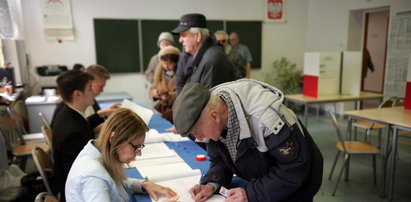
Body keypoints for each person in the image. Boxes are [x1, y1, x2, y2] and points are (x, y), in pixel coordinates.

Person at [173, 80, 324, 202]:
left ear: (214, 117)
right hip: (264, 178)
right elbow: (220, 159)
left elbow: (294, 168)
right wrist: (212, 184)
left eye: (196, 132)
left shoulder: (265, 119)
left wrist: (251, 193)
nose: (198, 138)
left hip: (298, 184)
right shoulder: (211, 110)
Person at [65, 108, 178, 202]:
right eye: (135, 147)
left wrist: (144, 184)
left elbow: (114, 183)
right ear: (113, 139)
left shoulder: (97, 151)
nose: (139, 153)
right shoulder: (93, 179)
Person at [52, 70, 96, 201]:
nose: (93, 92)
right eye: (89, 89)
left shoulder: (67, 113)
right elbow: (84, 176)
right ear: (77, 94)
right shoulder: (74, 133)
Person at [172, 13, 236, 94]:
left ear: (198, 36)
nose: (180, 40)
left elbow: (210, 102)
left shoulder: (213, 59)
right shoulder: (200, 56)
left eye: (183, 35)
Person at [85, 64, 120, 133]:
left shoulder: (92, 100)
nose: (102, 91)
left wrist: (106, 114)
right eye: (101, 87)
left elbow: (95, 122)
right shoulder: (83, 103)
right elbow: (86, 129)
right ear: (90, 83)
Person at [150, 46, 180, 123]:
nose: (166, 66)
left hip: (177, 112)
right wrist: (154, 92)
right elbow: (153, 87)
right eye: (164, 63)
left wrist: (169, 96)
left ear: (176, 62)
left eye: (170, 63)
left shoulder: (181, 74)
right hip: (163, 112)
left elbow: (183, 92)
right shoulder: (159, 73)